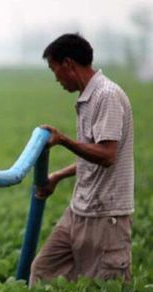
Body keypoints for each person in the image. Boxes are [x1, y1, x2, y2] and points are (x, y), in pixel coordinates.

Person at [30, 33, 134, 285]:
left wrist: (63, 140)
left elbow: (107, 155)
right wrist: (58, 176)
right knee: (42, 271)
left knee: (105, 284)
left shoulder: (106, 95)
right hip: (79, 210)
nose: (55, 78)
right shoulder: (88, 97)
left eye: (54, 69)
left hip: (106, 216)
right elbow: (93, 155)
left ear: (68, 64)